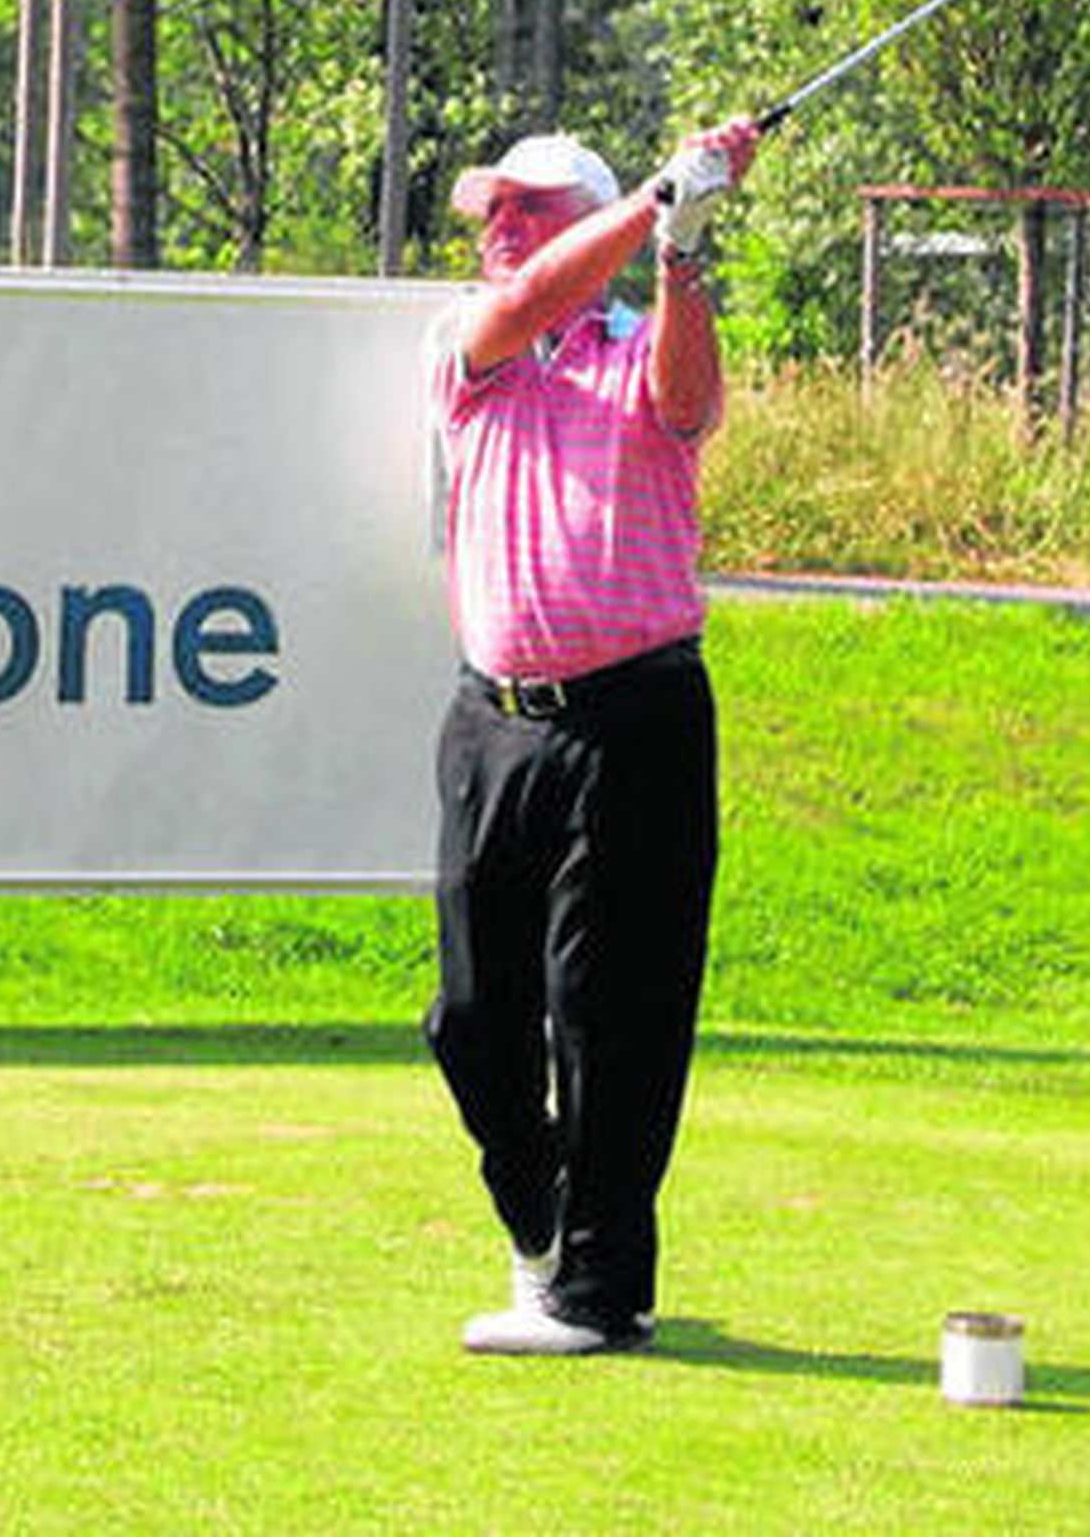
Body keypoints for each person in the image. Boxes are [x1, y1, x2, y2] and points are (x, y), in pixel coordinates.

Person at [423, 114, 759, 1355]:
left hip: (638, 720)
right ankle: (541, 1233)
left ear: (591, 224)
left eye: (527, 210)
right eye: (492, 212)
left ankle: (603, 1289)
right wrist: (661, 192)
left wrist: (675, 245)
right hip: (494, 721)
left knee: (610, 1014)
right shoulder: (473, 344)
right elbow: (518, 309)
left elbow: (688, 401)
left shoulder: (639, 338)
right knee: (471, 1015)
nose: (499, 230)